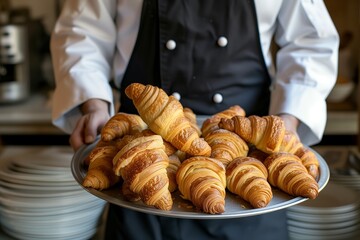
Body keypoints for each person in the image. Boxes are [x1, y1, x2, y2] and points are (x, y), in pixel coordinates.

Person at [50, 0, 339, 239]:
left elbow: (310, 41)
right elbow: (81, 30)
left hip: (249, 163)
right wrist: (94, 102)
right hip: (139, 166)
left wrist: (287, 122)